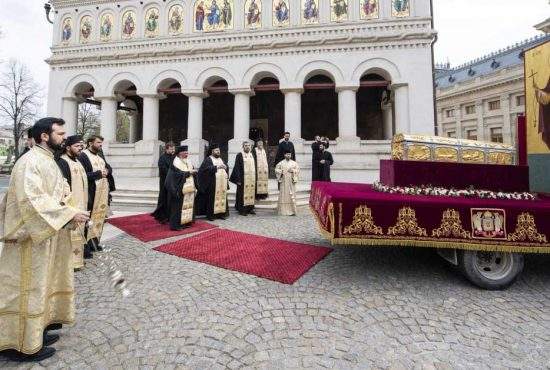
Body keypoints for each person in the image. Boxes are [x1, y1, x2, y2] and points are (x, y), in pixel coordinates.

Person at [0, 117, 89, 362]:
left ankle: (36, 330)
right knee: (27, 288)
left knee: (42, 285)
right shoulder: (30, 162)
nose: (64, 137)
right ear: (44, 136)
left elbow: (60, 193)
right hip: (28, 239)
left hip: (46, 235)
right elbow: (32, 201)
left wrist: (71, 211)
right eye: (60, 134)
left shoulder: (47, 160)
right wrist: (68, 213)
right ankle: (19, 344)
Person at [56, 135, 90, 267]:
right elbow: (64, 188)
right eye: (77, 146)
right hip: (72, 206)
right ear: (68, 147)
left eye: (81, 146)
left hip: (81, 204)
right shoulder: (63, 162)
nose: (80, 148)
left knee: (79, 234)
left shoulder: (77, 162)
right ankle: (70, 263)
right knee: (70, 235)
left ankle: (77, 261)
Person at [78, 135, 110, 254]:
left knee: (98, 218)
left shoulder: (100, 155)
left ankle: (94, 243)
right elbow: (82, 175)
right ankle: (85, 247)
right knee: (88, 219)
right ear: (90, 143)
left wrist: (107, 171)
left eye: (101, 143)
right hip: (90, 193)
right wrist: (98, 174)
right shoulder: (83, 156)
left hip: (101, 193)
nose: (100, 145)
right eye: (98, 143)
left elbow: (107, 167)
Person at [165, 146, 198, 231]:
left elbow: (191, 170)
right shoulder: (175, 162)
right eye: (185, 152)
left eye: (187, 152)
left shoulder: (188, 161)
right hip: (179, 188)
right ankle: (176, 225)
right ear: (180, 153)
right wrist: (188, 173)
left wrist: (194, 173)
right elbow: (176, 175)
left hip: (189, 188)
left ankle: (186, 222)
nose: (187, 154)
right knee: (177, 207)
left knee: (188, 206)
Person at [196, 144, 229, 221]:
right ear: (212, 151)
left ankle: (221, 214)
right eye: (216, 150)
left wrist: (225, 167)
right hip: (212, 184)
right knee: (212, 200)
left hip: (222, 183)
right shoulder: (208, 159)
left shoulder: (221, 159)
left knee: (222, 198)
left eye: (219, 150)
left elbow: (225, 168)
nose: (218, 152)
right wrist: (216, 167)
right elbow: (204, 170)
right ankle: (211, 215)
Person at [230, 141, 256, 216]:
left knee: (251, 193)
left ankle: (250, 208)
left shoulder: (252, 155)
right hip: (242, 178)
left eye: (249, 146)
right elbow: (237, 167)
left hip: (251, 178)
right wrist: (238, 179)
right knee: (242, 194)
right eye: (246, 145)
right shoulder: (240, 155)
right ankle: (242, 210)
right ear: (243, 147)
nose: (247, 147)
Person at [152, 142, 176, 223]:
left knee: (171, 199)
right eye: (171, 149)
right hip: (164, 181)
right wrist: (172, 173)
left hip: (173, 181)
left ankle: (170, 215)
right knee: (164, 198)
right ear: (166, 149)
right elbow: (163, 168)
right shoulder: (162, 158)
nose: (173, 150)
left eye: (173, 149)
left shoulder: (175, 157)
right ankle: (161, 216)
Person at [275, 149, 300, 216]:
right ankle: (283, 211)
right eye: (287, 154)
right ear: (284, 155)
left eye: (289, 154)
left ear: (291, 155)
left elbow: (297, 170)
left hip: (291, 182)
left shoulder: (294, 163)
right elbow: (276, 170)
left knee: (291, 195)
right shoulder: (281, 163)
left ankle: (292, 210)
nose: (288, 155)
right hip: (284, 182)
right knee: (284, 195)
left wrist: (293, 170)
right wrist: (281, 172)